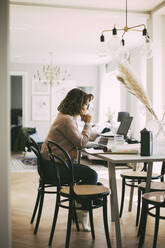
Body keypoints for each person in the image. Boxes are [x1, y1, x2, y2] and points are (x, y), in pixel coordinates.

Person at [41, 88, 98, 231]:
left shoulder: (65, 117)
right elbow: (81, 143)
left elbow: (77, 138)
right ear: (78, 104)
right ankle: (82, 212)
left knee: (95, 183)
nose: (87, 108)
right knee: (92, 175)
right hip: (55, 170)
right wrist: (88, 124)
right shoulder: (67, 120)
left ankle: (80, 206)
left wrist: (90, 132)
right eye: (85, 104)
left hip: (49, 166)